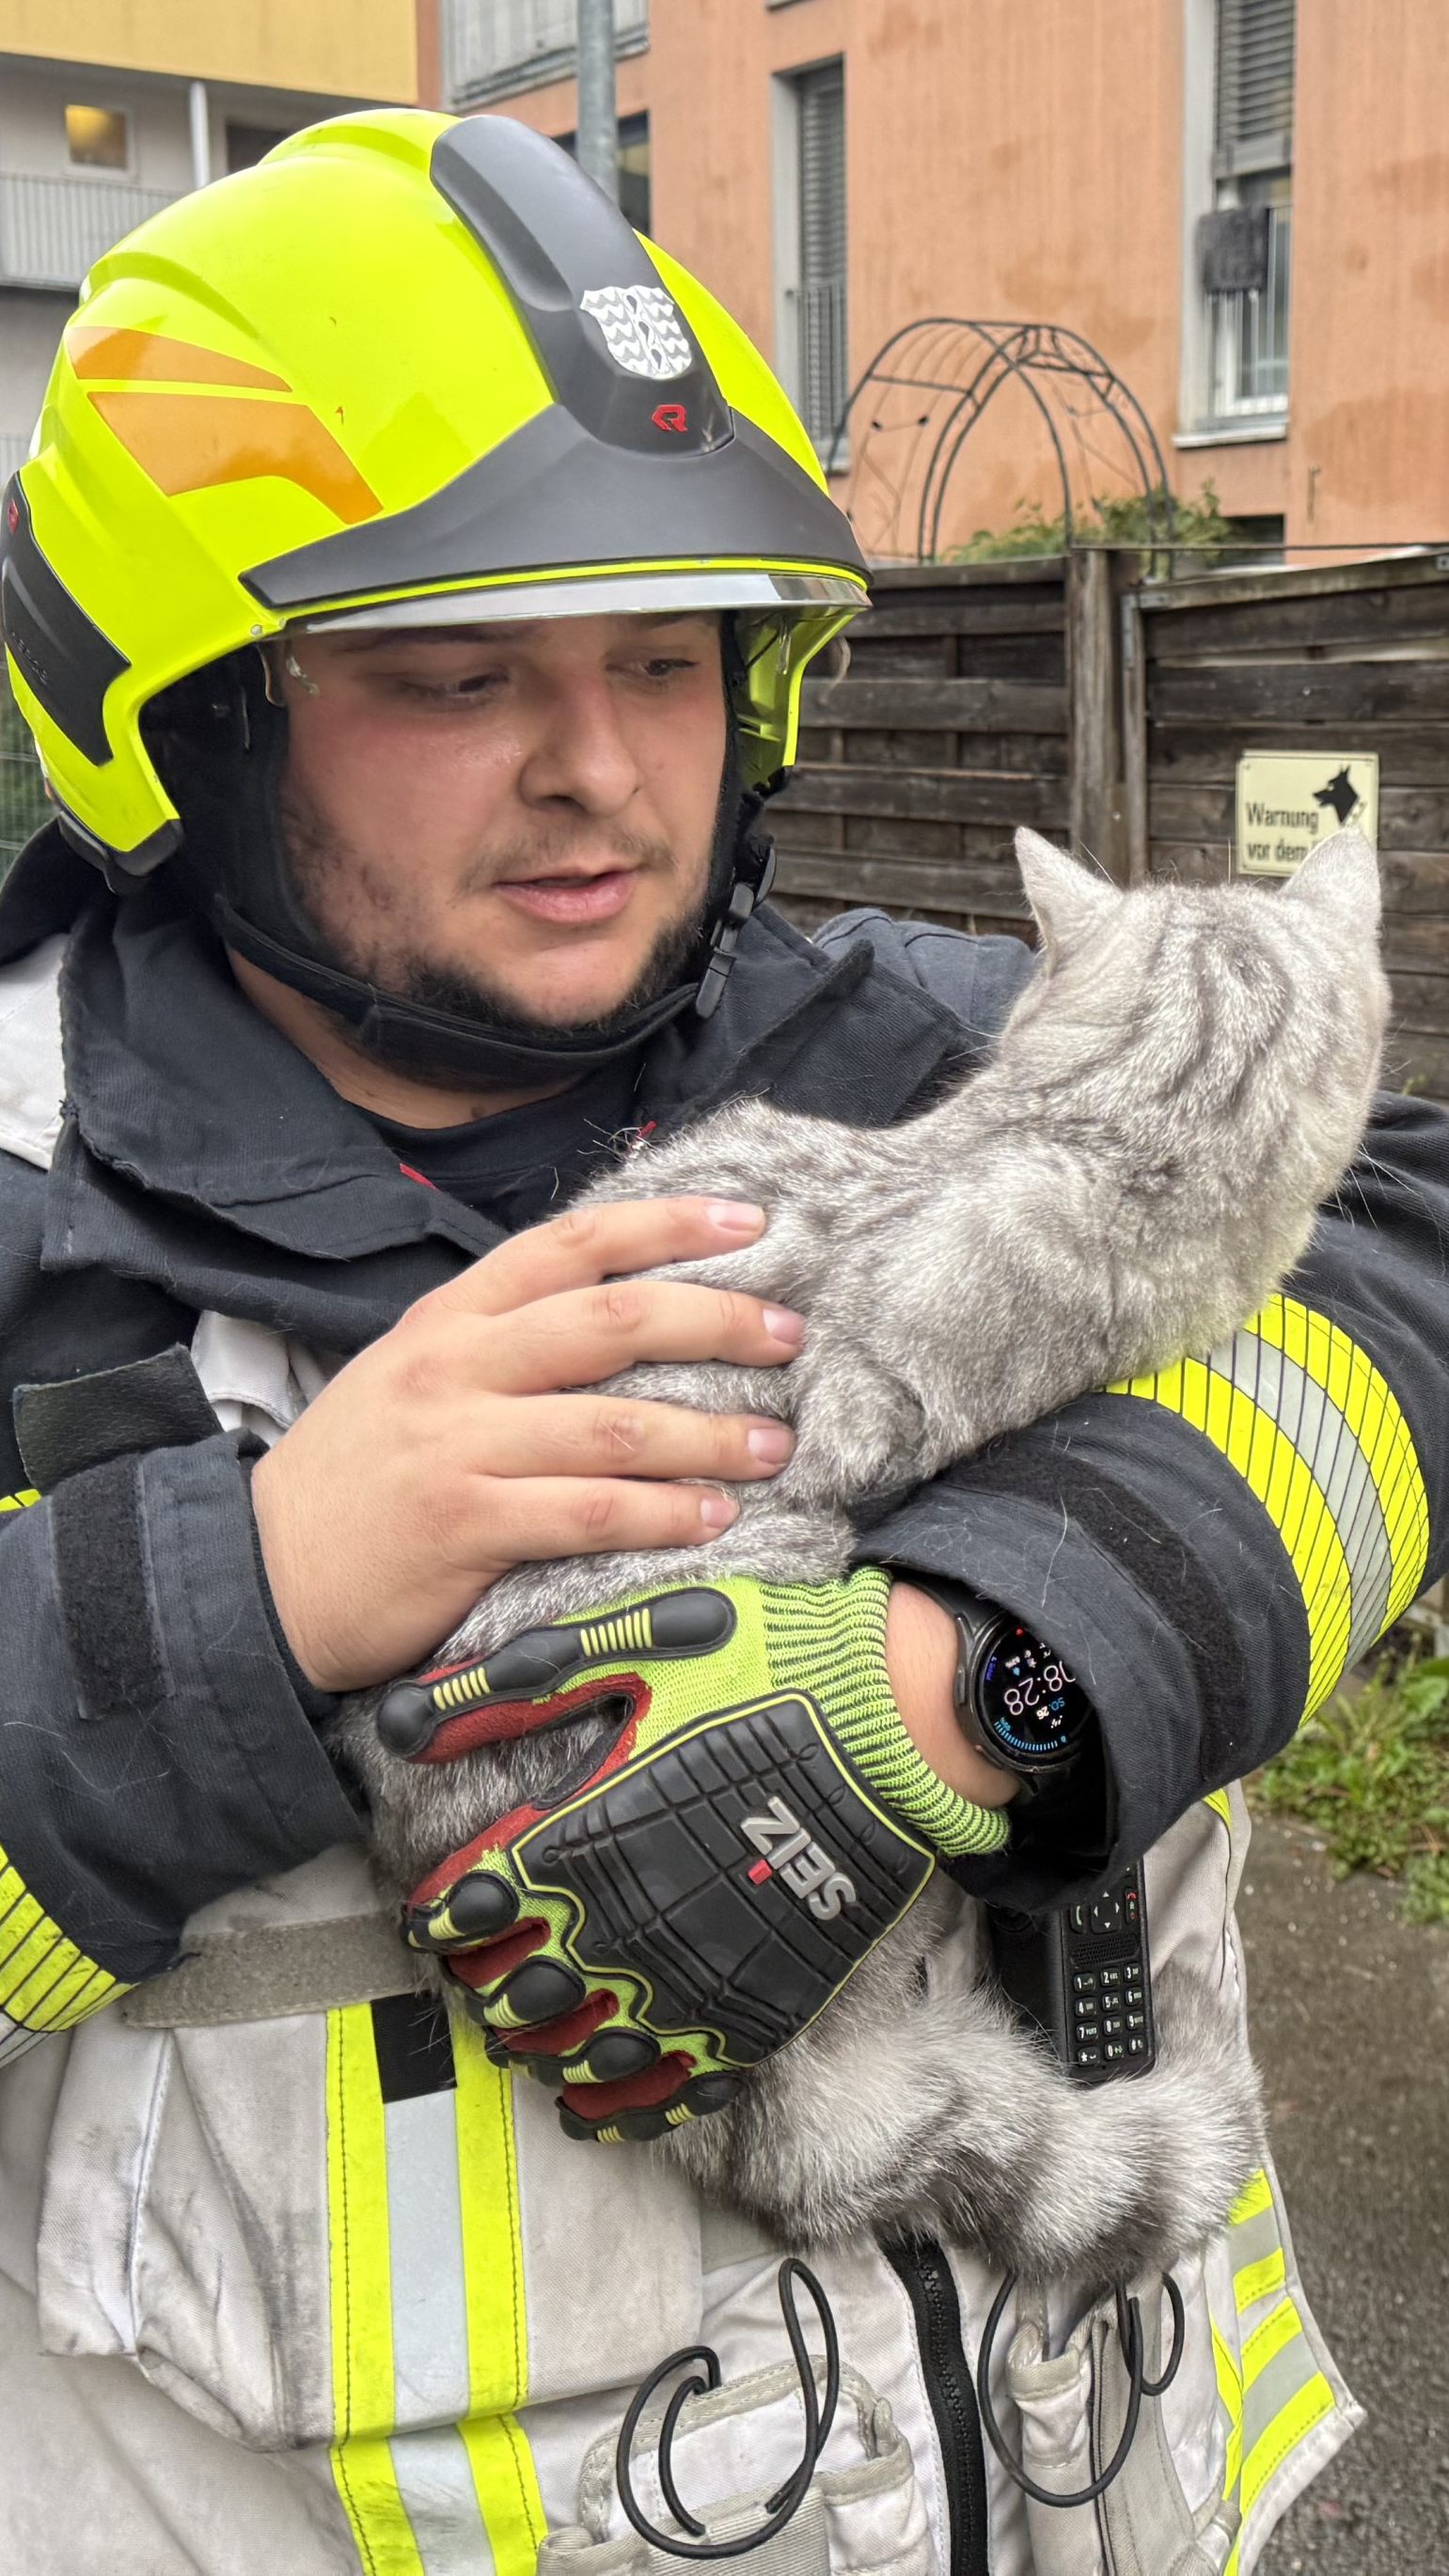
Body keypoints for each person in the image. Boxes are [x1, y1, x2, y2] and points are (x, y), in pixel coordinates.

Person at [0, 106, 1442, 2576]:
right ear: (187, 716)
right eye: (457, 674)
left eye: (666, 658)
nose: (603, 771)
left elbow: (1404, 1249)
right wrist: (255, 1600)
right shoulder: (45, 1226)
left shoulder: (938, 1043)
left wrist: (982, 1663)